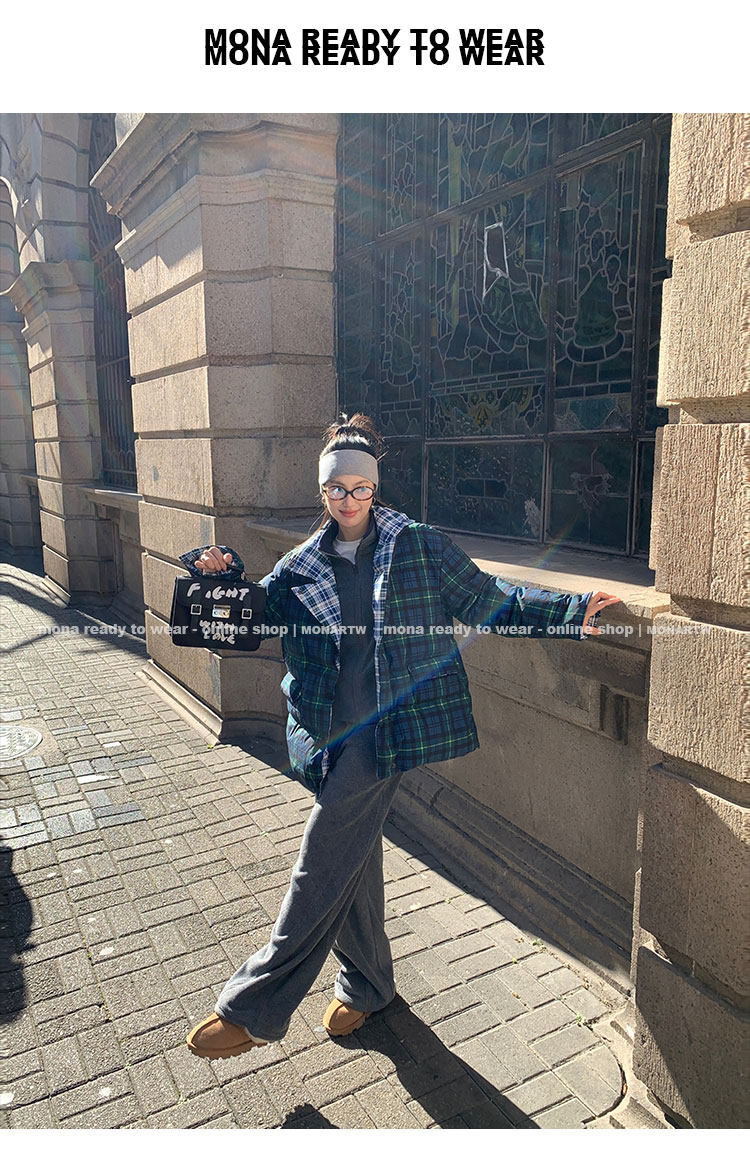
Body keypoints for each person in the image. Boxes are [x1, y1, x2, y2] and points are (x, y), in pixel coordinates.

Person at [185, 413, 620, 1060]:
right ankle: (368, 986)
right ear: (323, 492)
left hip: (386, 731)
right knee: (353, 863)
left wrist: (567, 611)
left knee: (321, 861)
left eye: (360, 488)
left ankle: (253, 1007)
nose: (349, 500)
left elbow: (486, 598)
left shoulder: (417, 546)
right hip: (325, 735)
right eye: (337, 489)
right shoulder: (300, 566)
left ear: (375, 488)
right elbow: (248, 617)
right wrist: (215, 573)